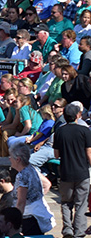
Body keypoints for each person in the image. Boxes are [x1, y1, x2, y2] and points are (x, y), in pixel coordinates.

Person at [52, 101, 91, 237]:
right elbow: (89, 154)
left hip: (65, 172)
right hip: (82, 172)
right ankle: (79, 231)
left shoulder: (59, 131)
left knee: (66, 202)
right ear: (77, 115)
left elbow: (56, 154)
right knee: (81, 203)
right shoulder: (85, 131)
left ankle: (67, 229)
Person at [9, 142, 55, 235]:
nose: (9, 159)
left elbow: (21, 202)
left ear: (17, 159)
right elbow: (46, 184)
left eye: (10, 156)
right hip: (39, 214)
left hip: (29, 217)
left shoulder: (22, 176)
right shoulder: (32, 168)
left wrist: (16, 224)